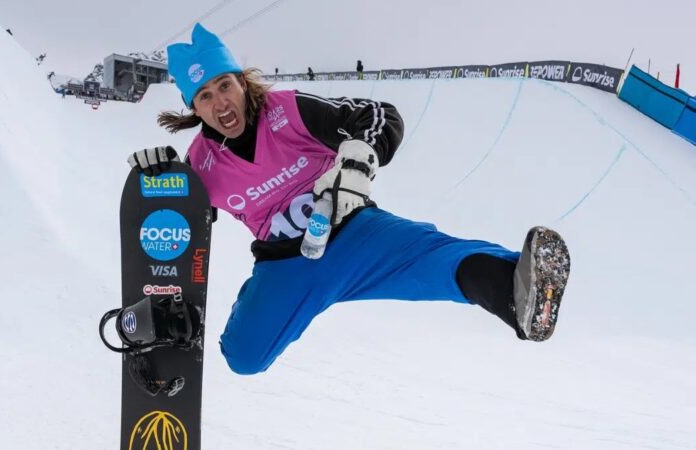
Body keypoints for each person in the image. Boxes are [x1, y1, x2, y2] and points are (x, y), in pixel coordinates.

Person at [127, 23, 571, 376]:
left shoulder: (287, 111)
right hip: (287, 266)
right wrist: (163, 180)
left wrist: (357, 161)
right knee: (244, 358)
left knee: (436, 261)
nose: (220, 102)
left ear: (242, 83)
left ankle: (518, 291)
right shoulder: (202, 163)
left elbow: (377, 116)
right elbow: (185, 220)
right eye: (205, 96)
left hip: (355, 234)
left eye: (225, 85)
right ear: (194, 108)